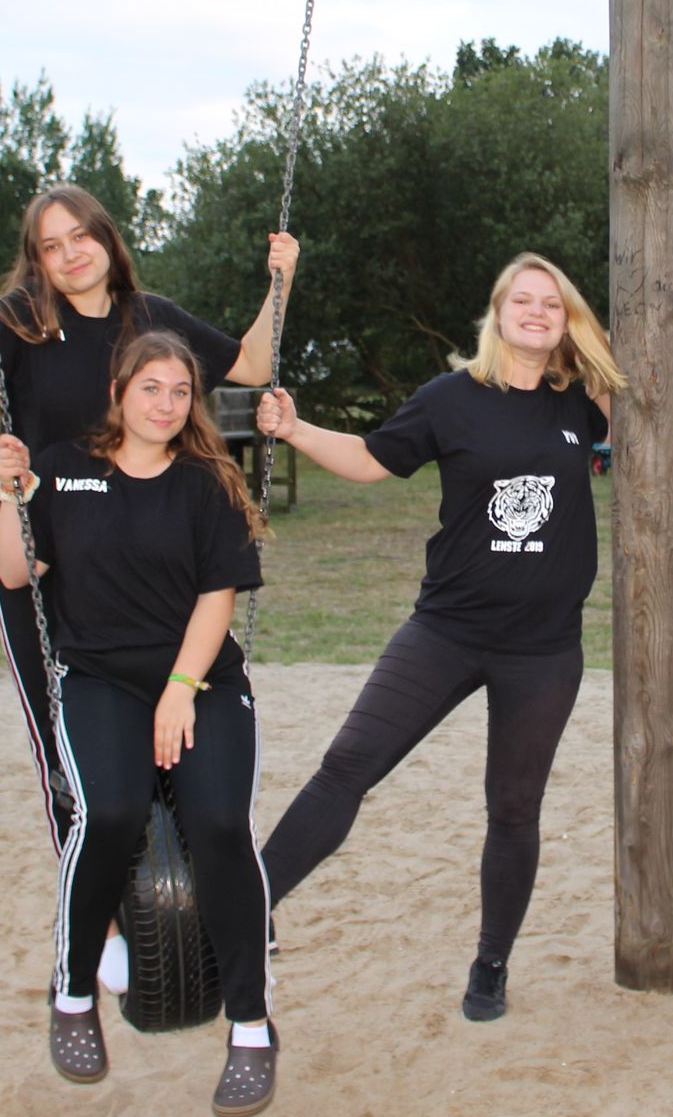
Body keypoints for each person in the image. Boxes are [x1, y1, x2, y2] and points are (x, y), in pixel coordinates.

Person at [251, 252, 622, 1023]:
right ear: (498, 312)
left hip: (543, 649)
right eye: (523, 300)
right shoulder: (452, 399)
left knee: (513, 808)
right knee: (348, 764)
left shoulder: (580, 402)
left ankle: (491, 964)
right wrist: (295, 428)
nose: (536, 312)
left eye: (552, 304)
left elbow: (646, 374)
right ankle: (248, 905)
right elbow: (370, 460)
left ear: (567, 322)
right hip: (448, 630)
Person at [0, 184, 296, 860]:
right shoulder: (21, 321)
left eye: (81, 236)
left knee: (174, 709)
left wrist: (281, 280)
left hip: (148, 544)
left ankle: (184, 878)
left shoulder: (148, 316)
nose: (71, 254)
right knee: (62, 737)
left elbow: (253, 364)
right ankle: (92, 887)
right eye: (51, 246)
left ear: (106, 236)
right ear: (36, 260)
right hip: (47, 550)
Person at [0, 330, 279, 1110]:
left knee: (220, 825)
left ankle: (252, 1027)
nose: (166, 404)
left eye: (180, 391)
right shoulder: (63, 468)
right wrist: (9, 493)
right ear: (118, 392)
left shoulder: (207, 481)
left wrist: (182, 688)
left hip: (200, 678)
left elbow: (218, 596)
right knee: (109, 813)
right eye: (151, 388)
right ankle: (74, 994)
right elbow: (16, 571)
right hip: (101, 679)